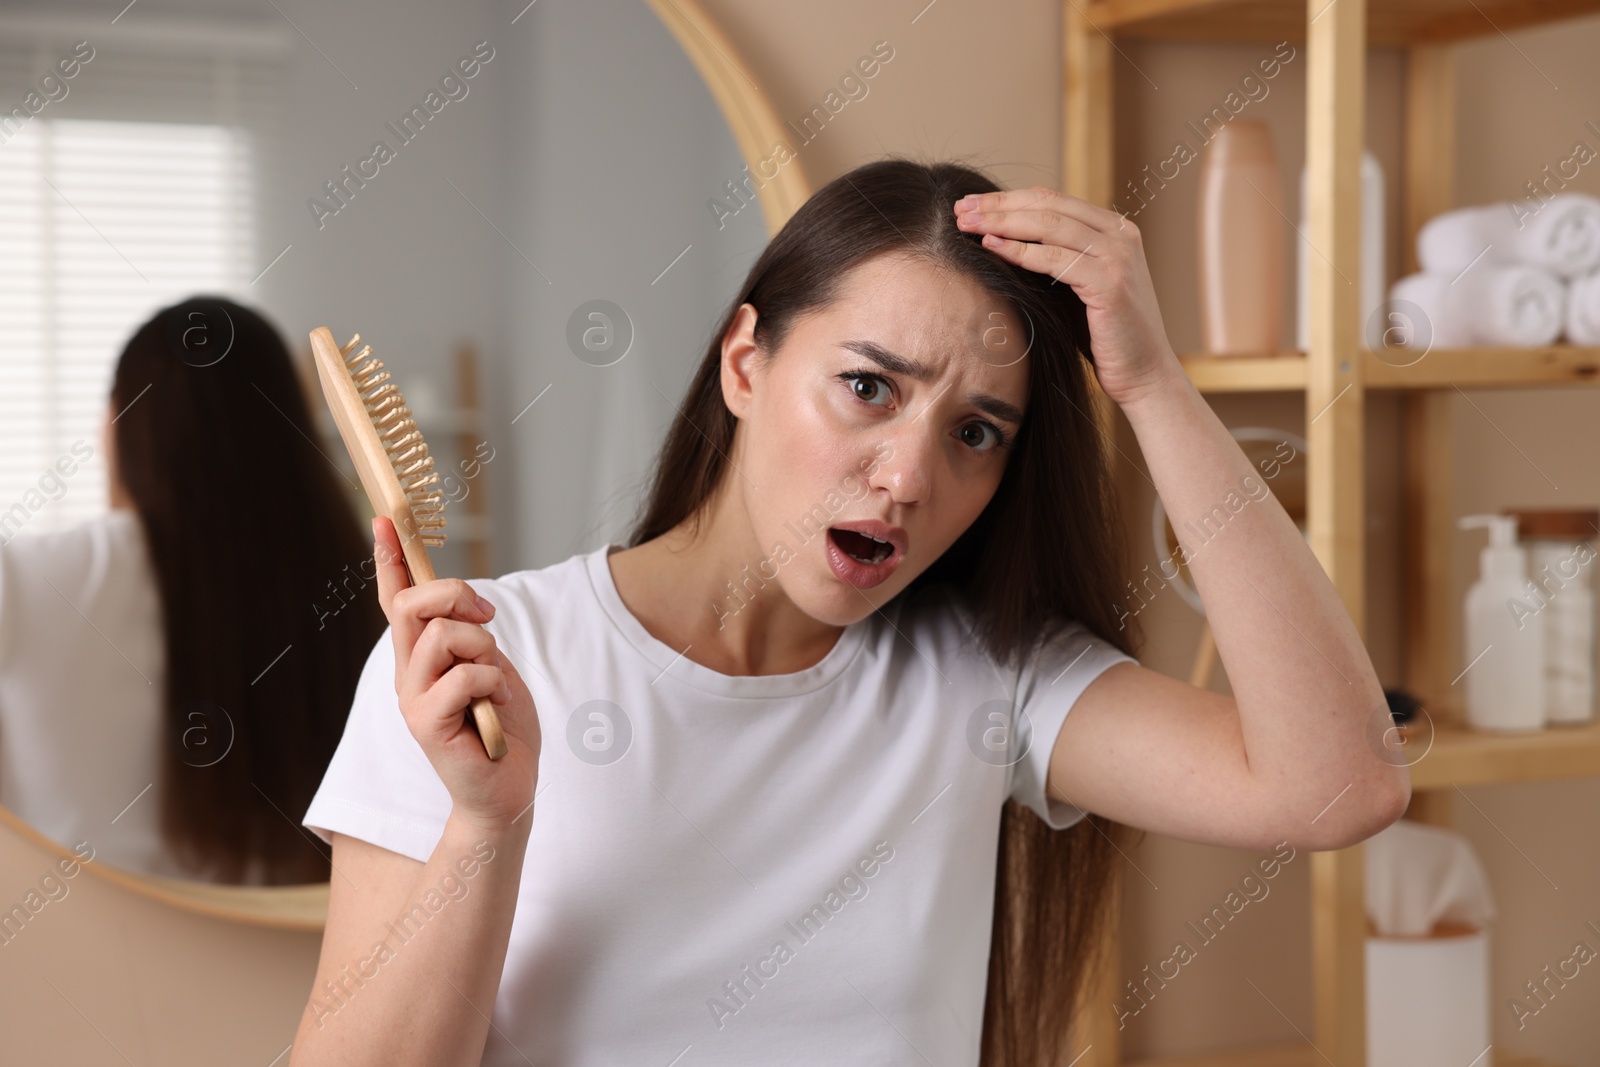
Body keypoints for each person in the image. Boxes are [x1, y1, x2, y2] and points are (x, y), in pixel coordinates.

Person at [293, 159, 1409, 1065]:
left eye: (974, 431)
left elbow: (1340, 783)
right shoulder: (480, 667)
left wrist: (1154, 383)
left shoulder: (989, 677)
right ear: (745, 361)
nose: (908, 474)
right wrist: (485, 826)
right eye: (868, 386)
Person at [0, 296, 387, 885]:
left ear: (120, 426)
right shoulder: (359, 580)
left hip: (78, 962)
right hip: (302, 965)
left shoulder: (28, 577)